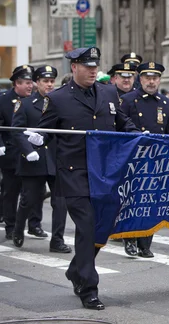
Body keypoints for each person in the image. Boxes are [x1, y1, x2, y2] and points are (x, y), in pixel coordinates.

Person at [26, 47, 138, 310]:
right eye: (87, 66)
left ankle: (76, 269)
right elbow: (46, 130)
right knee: (86, 226)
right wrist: (38, 138)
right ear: (73, 67)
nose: (92, 70)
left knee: (102, 226)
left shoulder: (109, 92)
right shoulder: (59, 98)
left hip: (106, 174)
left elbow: (122, 123)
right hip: (75, 174)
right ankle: (88, 288)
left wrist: (142, 137)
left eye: (95, 66)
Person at [11, 66, 71, 253]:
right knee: (30, 199)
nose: (49, 84)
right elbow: (17, 130)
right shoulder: (26, 104)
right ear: (37, 83)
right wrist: (28, 151)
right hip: (34, 159)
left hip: (56, 158)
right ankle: (18, 228)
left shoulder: (59, 102)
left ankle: (57, 240)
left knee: (60, 201)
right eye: (45, 81)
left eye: (52, 81)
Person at [120, 62, 169, 258]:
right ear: (140, 79)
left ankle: (146, 243)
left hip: (156, 159)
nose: (151, 82)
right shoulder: (127, 100)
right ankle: (130, 239)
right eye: (147, 78)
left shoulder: (166, 103)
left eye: (155, 78)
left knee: (152, 202)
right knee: (133, 202)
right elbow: (119, 127)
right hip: (134, 158)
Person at [0, 65, 46, 240]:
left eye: (31, 83)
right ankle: (11, 226)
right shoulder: (4, 100)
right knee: (11, 191)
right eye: (26, 83)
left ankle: (35, 224)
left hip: (34, 153)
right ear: (16, 84)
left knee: (36, 191)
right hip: (11, 153)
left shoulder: (38, 100)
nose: (30, 86)